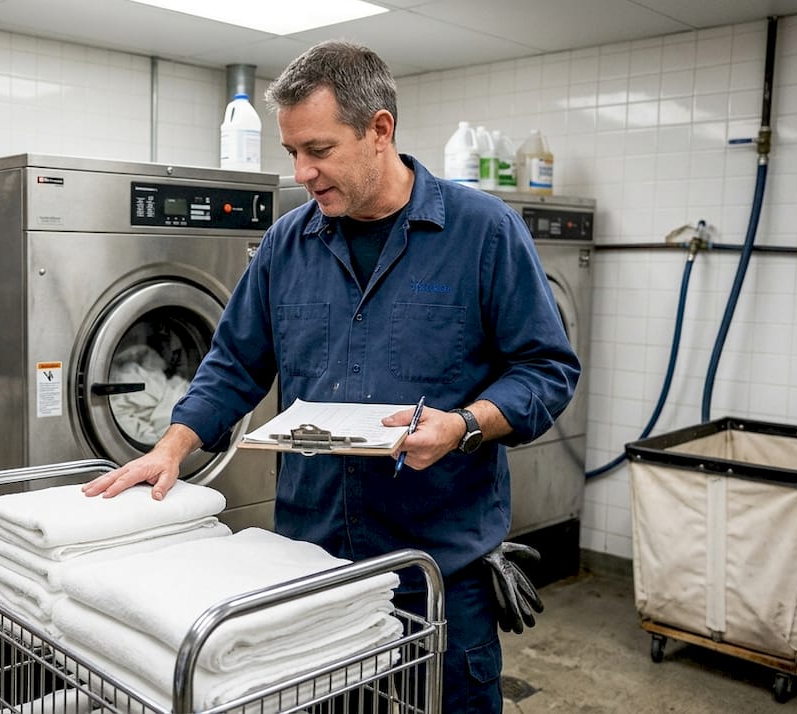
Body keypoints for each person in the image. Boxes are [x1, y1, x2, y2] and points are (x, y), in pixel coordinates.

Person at [83, 40, 579, 713]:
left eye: (318, 149)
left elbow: (546, 369)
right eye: (291, 153)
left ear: (380, 130)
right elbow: (233, 361)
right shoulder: (290, 242)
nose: (303, 172)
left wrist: (465, 425)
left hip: (437, 572)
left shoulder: (483, 232)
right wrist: (170, 447)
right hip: (310, 565)